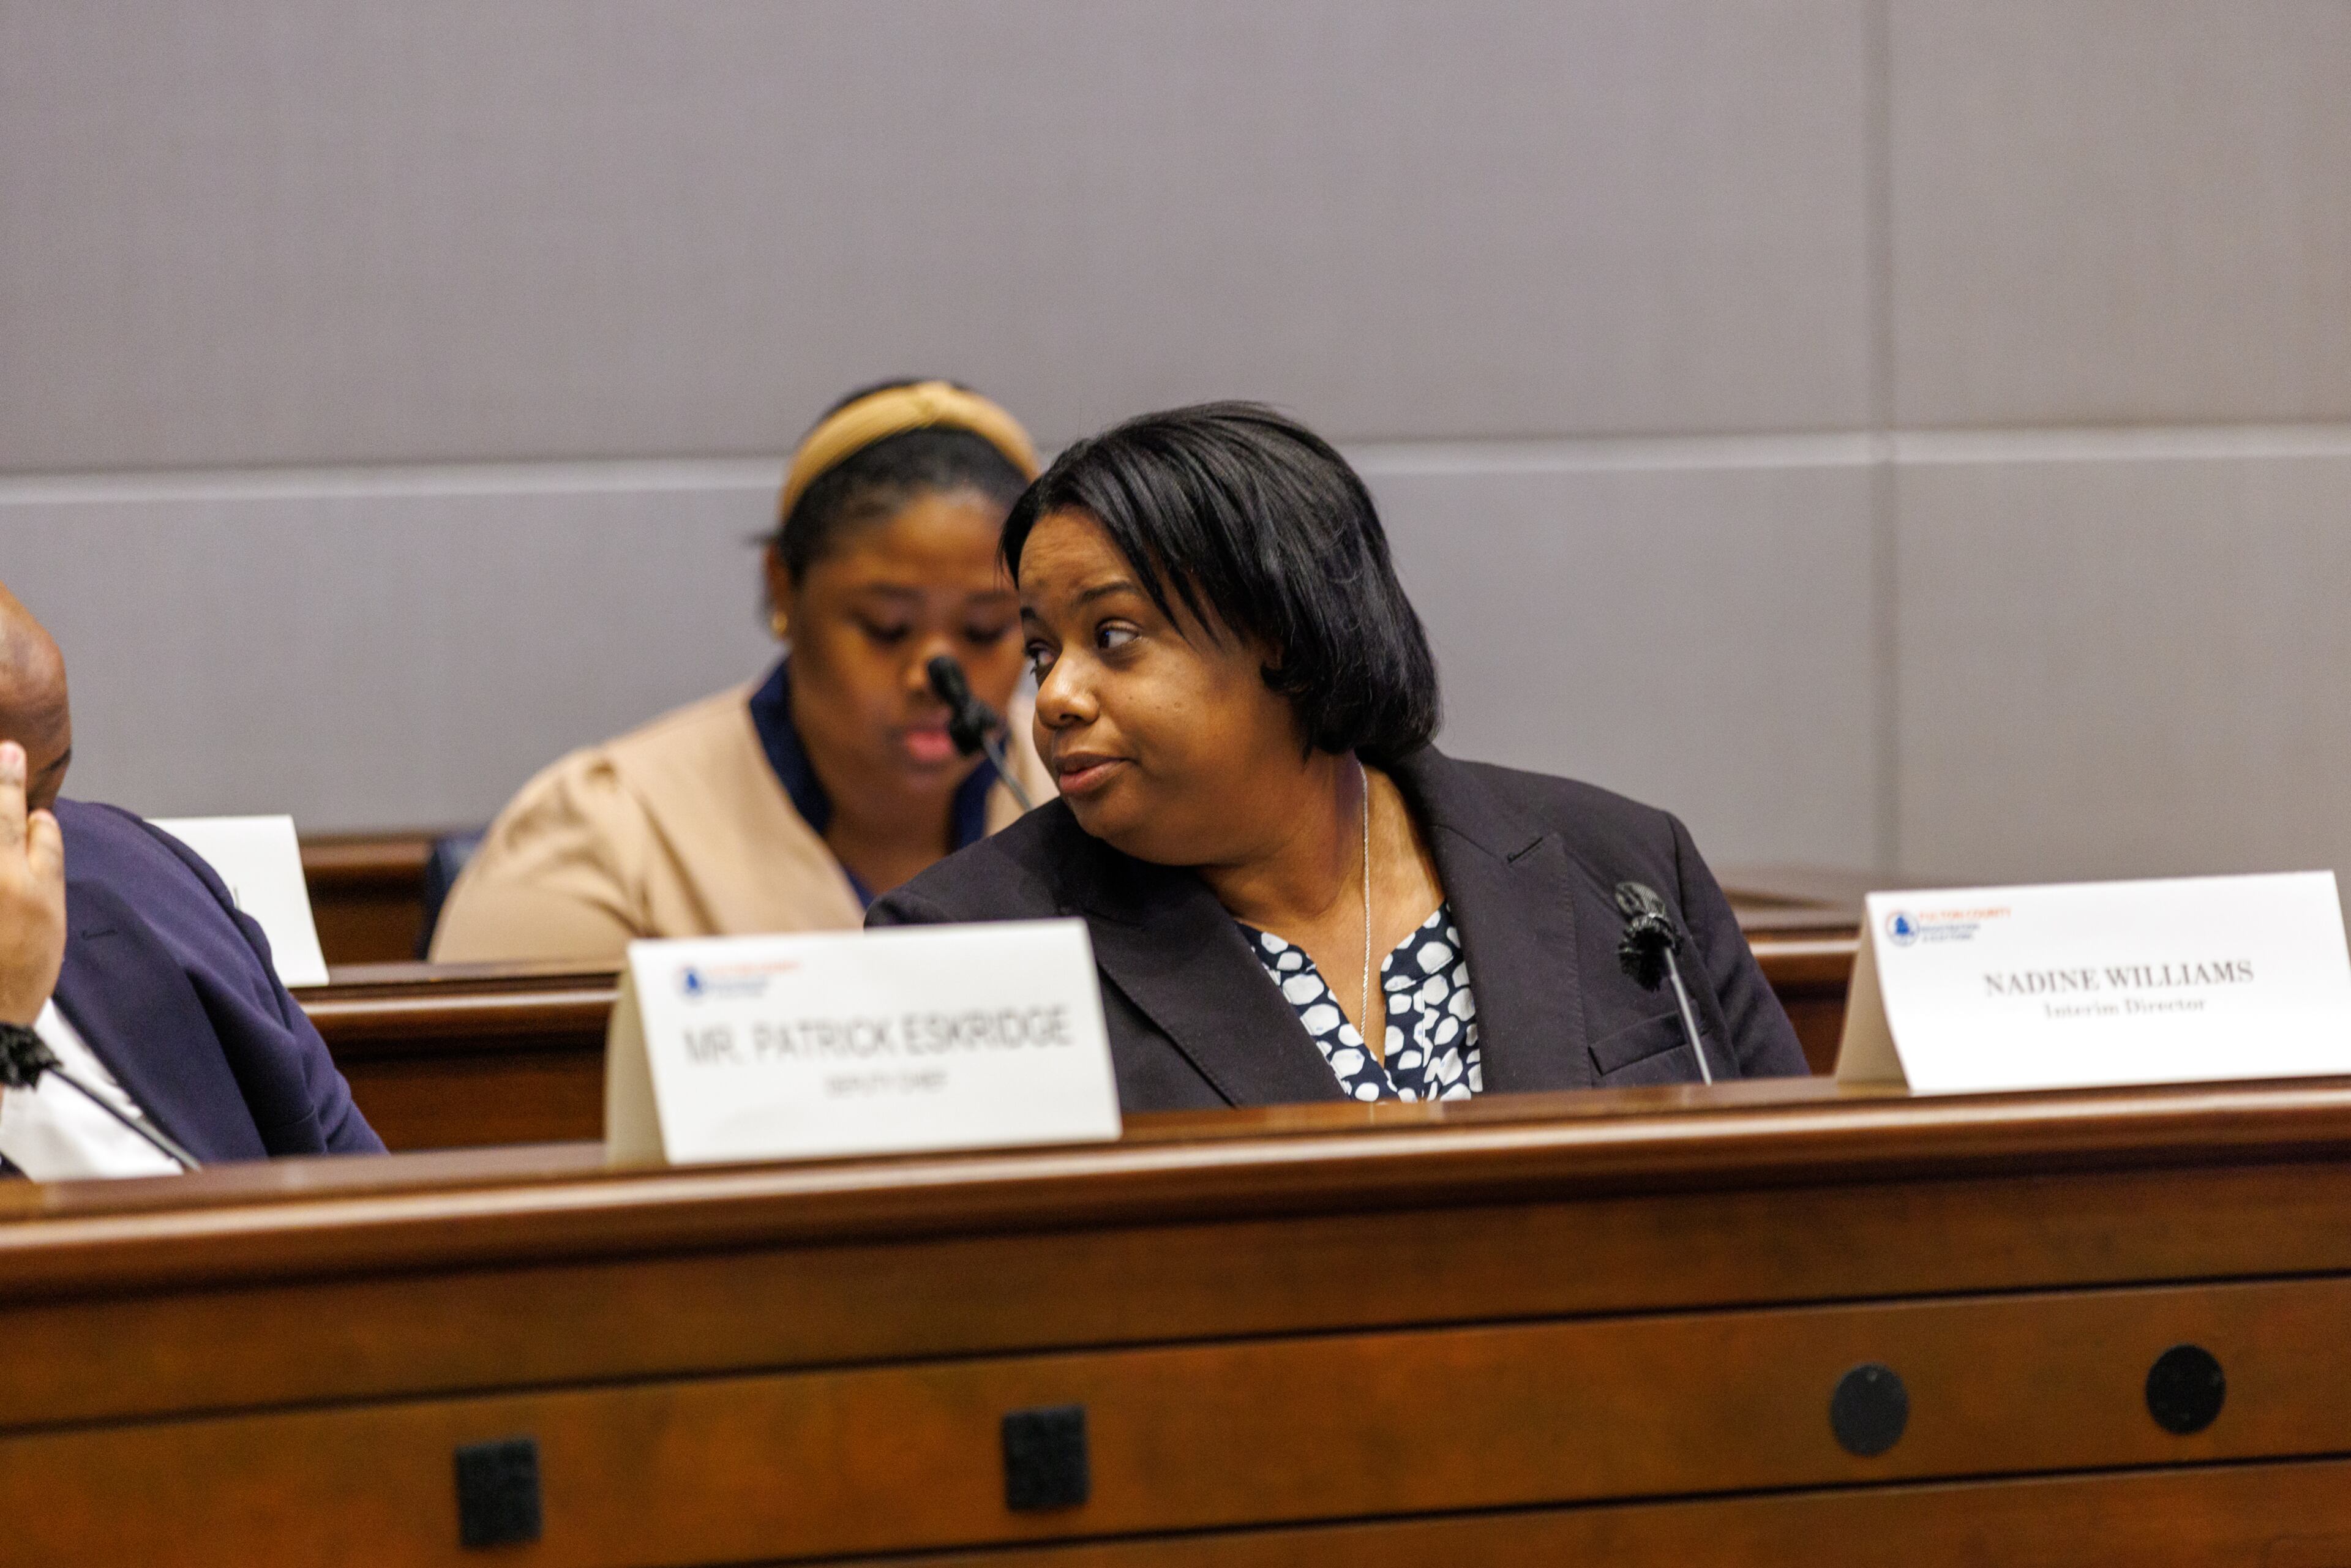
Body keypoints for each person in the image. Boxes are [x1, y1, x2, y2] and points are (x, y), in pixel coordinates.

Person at [869, 403, 1809, 1111]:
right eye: (1042, 651)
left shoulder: (1623, 867)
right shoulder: (967, 944)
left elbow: (1794, 1206)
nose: (1055, 696)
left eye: (1113, 636)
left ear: (1285, 633)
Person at [432, 380, 1055, 965]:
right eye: (886, 627)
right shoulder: (607, 840)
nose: (935, 677)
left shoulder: (1080, 791)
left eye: (986, 629)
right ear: (783, 586)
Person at [0, 583, 382, 1176]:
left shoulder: (149, 879)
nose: (34, 853)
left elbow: (362, 1183)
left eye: (45, 794)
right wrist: (8, 1012)